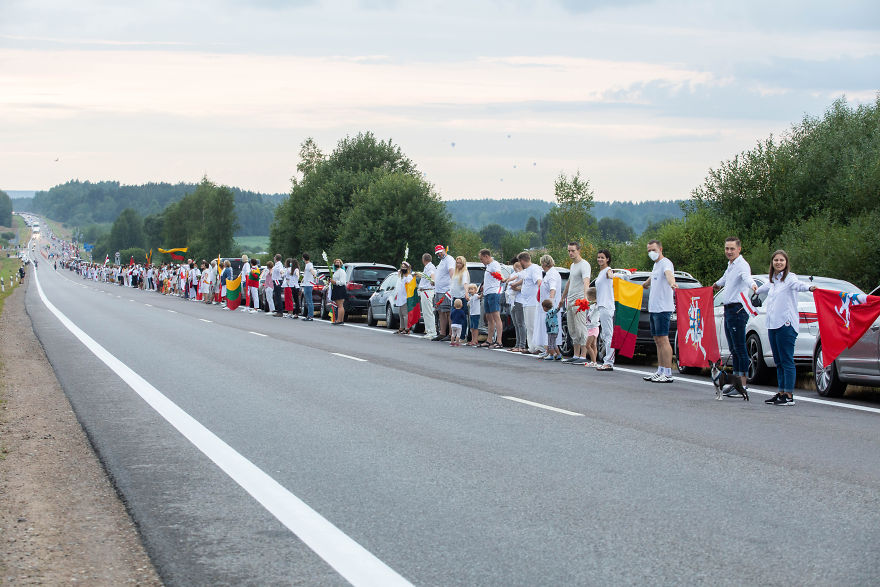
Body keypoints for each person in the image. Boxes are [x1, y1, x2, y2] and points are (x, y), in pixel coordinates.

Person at [755, 250, 816, 406]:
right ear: (772, 263)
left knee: (787, 359)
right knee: (778, 361)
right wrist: (754, 290)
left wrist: (809, 288)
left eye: (781, 260)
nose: (778, 263)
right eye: (776, 260)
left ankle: (789, 395)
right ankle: (781, 392)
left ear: (786, 262)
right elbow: (763, 288)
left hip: (786, 324)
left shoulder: (790, 278)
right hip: (772, 324)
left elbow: (798, 285)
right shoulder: (774, 280)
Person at [713, 237, 757, 397]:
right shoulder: (731, 265)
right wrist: (716, 285)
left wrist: (752, 285)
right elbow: (725, 279)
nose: (729, 252)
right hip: (728, 308)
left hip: (738, 309)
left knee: (739, 348)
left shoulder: (742, 265)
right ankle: (736, 383)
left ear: (739, 249)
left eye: (732, 249)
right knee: (733, 347)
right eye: (727, 248)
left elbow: (747, 278)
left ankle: (743, 385)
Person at [642, 240, 678, 383]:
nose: (651, 253)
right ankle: (661, 370)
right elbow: (654, 277)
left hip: (663, 308)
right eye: (649, 250)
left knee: (663, 339)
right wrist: (646, 283)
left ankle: (668, 373)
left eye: (653, 250)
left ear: (660, 249)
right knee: (657, 340)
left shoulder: (666, 263)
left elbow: (668, 275)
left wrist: (672, 283)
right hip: (654, 307)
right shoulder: (656, 265)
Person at [559, 242, 591, 365]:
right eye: (569, 251)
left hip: (579, 301)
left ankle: (583, 355)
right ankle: (576, 354)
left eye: (573, 250)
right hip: (570, 301)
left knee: (581, 327)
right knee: (572, 328)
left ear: (579, 251)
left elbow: (586, 281)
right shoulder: (573, 265)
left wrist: (585, 298)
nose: (571, 253)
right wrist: (563, 297)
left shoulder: (584, 265)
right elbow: (569, 283)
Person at [532, 255, 561, 358]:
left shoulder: (552, 274)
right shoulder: (549, 273)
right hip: (544, 307)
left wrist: (550, 301)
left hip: (548, 308)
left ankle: (551, 352)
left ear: (544, 263)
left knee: (548, 331)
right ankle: (549, 350)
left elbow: (553, 288)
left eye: (542, 264)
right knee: (546, 330)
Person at [594, 249, 616, 371]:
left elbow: (611, 275)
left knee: (608, 335)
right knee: (605, 334)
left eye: (602, 257)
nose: (600, 260)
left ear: (607, 259)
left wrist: (612, 275)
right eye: (598, 257)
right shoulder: (601, 272)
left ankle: (609, 361)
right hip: (601, 305)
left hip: (607, 306)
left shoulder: (607, 270)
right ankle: (607, 360)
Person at [517, 252, 543, 354]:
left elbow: (539, 282)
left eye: (520, 262)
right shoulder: (527, 270)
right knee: (528, 325)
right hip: (526, 302)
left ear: (522, 261)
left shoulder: (534, 269)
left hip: (532, 302)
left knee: (533, 325)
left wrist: (540, 296)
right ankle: (531, 347)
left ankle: (537, 347)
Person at [479, 249, 504, 349]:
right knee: (489, 318)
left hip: (494, 292)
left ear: (486, 256)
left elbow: (498, 275)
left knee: (496, 316)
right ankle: (489, 340)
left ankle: (499, 341)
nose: (481, 261)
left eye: (481, 259)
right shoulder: (488, 266)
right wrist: (484, 286)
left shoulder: (495, 264)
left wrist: (495, 274)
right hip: (487, 293)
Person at [432, 245, 456, 341]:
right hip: (438, 290)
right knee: (440, 311)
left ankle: (450, 334)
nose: (439, 254)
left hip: (446, 290)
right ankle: (442, 333)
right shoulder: (441, 261)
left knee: (447, 312)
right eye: (437, 253)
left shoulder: (449, 259)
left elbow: (452, 272)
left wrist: (452, 287)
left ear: (443, 251)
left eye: (440, 252)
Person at [506, 261, 526, 352]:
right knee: (516, 324)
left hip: (519, 300)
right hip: (512, 300)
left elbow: (523, 287)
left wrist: (515, 286)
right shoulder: (516, 274)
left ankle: (522, 345)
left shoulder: (523, 274)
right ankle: (517, 344)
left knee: (520, 323)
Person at [451, 256, 470, 339]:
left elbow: (465, 283)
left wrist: (466, 293)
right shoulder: (456, 272)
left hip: (461, 297)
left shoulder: (464, 272)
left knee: (462, 317)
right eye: (457, 262)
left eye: (460, 263)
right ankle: (454, 335)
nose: (458, 264)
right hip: (455, 296)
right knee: (454, 316)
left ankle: (462, 336)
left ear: (463, 264)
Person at [418, 253, 437, 339]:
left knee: (428, 311)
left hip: (427, 291)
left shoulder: (430, 267)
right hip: (425, 291)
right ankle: (428, 330)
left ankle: (432, 331)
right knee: (425, 312)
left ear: (423, 260)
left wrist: (433, 280)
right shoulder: (428, 267)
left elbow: (432, 275)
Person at [393, 262, 414, 333]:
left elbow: (409, 285)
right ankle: (401, 327)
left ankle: (407, 328)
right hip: (400, 297)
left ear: (408, 268)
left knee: (405, 314)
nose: (403, 269)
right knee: (400, 313)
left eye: (404, 267)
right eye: (402, 267)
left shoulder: (409, 276)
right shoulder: (401, 276)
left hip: (405, 297)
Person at [584, 287, 599, 367]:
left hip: (593, 328)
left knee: (587, 345)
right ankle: (594, 361)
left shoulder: (597, 305)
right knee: (593, 345)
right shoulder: (592, 305)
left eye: (588, 296)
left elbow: (597, 305)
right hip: (591, 327)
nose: (588, 297)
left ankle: (594, 362)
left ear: (592, 296)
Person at [330, 258, 347, 324]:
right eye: (336, 263)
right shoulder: (336, 271)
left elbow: (342, 282)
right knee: (339, 305)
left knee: (340, 305)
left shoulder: (342, 271)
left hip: (340, 288)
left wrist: (335, 282)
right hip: (336, 288)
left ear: (340, 264)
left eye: (338, 262)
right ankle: (340, 319)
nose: (337, 264)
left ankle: (339, 320)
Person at [301, 253, 316, 321]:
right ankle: (309, 315)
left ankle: (310, 316)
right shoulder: (307, 264)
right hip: (306, 284)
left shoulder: (309, 265)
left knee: (309, 300)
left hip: (308, 285)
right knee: (308, 300)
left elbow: (311, 270)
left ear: (304, 258)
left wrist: (314, 275)